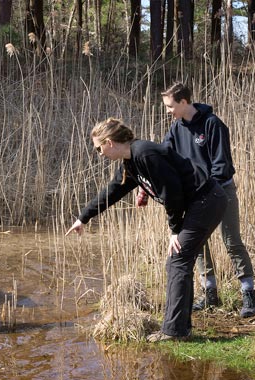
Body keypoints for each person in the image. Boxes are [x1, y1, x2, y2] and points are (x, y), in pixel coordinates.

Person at [66, 118, 227, 342]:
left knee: (178, 258)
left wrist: (175, 229)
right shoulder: (131, 163)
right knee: (180, 260)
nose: (99, 153)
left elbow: (173, 192)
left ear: (110, 142)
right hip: (201, 203)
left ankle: (174, 331)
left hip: (207, 200)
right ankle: (181, 327)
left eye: (99, 147)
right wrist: (83, 218)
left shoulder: (144, 153)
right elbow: (113, 191)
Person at [159, 82, 255, 318]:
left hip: (220, 192)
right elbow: (164, 157)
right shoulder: (175, 130)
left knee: (232, 241)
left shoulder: (212, 124)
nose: (167, 111)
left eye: (169, 106)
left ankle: (249, 294)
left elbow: (221, 165)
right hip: (195, 196)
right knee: (199, 243)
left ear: (184, 102)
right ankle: (210, 293)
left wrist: (207, 190)